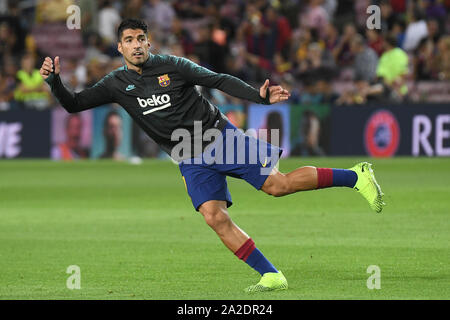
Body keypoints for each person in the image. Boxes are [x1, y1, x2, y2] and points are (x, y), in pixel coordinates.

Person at [40, 19, 385, 293]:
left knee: (278, 186)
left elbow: (218, 80)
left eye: (141, 38)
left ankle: (356, 176)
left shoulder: (173, 66)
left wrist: (259, 96)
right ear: (120, 47)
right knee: (214, 217)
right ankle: (271, 275)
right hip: (187, 156)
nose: (136, 45)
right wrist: (55, 81)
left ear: (148, 42)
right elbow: (74, 104)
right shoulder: (115, 84)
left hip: (218, 137)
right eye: (129, 40)